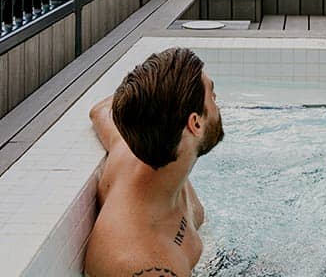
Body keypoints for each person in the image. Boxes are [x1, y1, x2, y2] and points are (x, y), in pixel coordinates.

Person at [84, 47, 224, 277]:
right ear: (195, 124)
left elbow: (100, 111)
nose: (217, 101)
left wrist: (154, 91)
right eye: (212, 94)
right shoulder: (147, 264)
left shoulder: (131, 150)